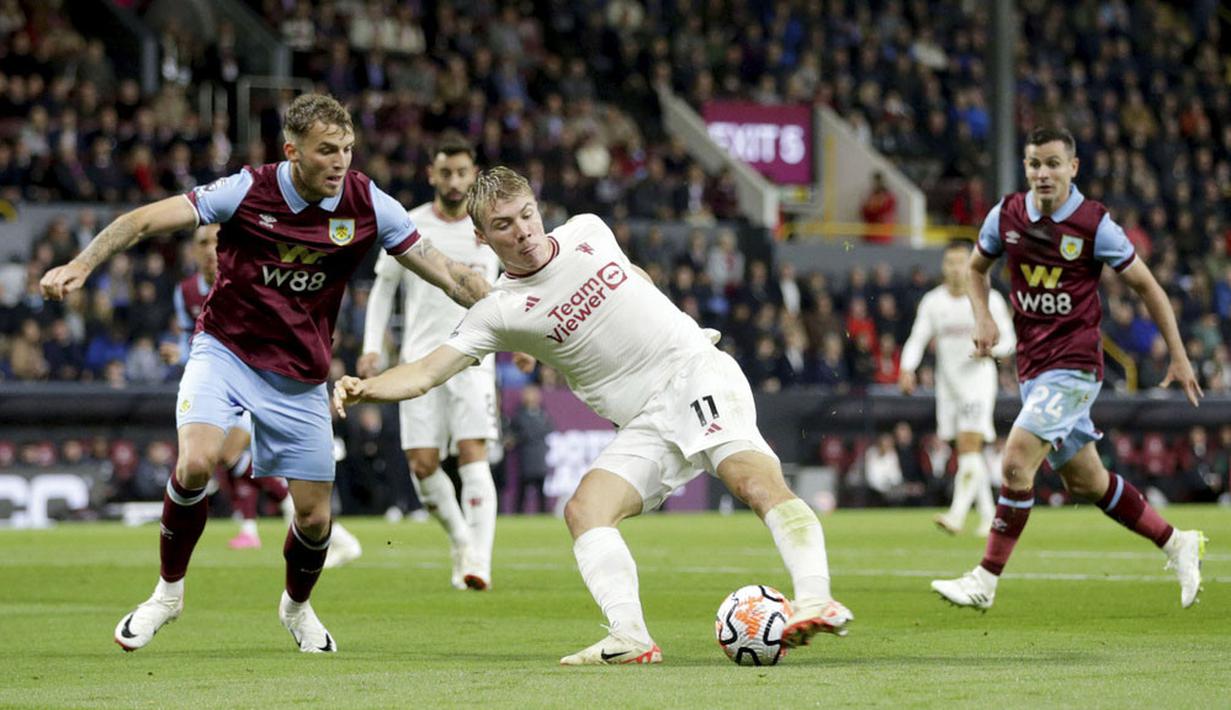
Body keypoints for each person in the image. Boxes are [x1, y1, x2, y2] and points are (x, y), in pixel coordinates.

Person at [334, 167, 852, 665]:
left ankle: (815, 599)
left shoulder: (588, 229)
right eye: (504, 225)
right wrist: (366, 389)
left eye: (527, 215)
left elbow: (636, 276)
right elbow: (425, 372)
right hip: (645, 420)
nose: (523, 232)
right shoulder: (501, 312)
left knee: (752, 482)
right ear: (482, 237)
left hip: (693, 372)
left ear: (539, 209)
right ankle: (630, 636)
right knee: (585, 511)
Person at [40, 93, 490, 653]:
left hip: (301, 373)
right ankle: (167, 594)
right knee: (197, 461)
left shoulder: (368, 202)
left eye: (348, 149)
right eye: (327, 151)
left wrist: (507, 307)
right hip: (226, 350)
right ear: (292, 151)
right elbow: (143, 221)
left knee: (316, 520)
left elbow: (448, 273)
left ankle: (296, 609)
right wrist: (82, 263)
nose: (341, 162)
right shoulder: (246, 189)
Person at [930, 127, 1206, 611]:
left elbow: (1149, 289)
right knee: (1087, 483)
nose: (1043, 173)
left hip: (1076, 367)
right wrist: (983, 315)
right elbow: (976, 268)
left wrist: (1179, 355)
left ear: (1073, 168)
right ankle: (1176, 542)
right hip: (1035, 369)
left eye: (1053, 163)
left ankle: (984, 580)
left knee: (1015, 461)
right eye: (1035, 163)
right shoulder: (1007, 215)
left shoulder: (1094, 225)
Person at [162, 224, 363, 562]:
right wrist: (179, 355)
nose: (211, 249)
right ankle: (272, 524)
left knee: (229, 456)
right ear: (193, 251)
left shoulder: (252, 275)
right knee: (223, 459)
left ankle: (293, 523)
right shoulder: (185, 293)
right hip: (218, 381)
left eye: (218, 240)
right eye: (202, 243)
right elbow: (192, 342)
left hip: (267, 379)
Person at [359, 132, 501, 590]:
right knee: (422, 465)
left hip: (475, 358)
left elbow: (511, 292)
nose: (455, 181)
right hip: (419, 361)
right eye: (446, 172)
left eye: (462, 172)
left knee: (472, 453)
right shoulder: (411, 226)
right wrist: (372, 347)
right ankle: (461, 540)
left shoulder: (491, 229)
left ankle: (479, 559)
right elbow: (383, 288)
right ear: (431, 174)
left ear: (473, 174)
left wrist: (523, 344)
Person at [900, 240, 1016, 536]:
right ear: (943, 266)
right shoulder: (933, 302)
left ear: (971, 264)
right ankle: (990, 513)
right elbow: (917, 338)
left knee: (968, 445)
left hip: (978, 380)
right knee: (967, 452)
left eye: (961, 262)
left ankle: (957, 514)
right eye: (950, 262)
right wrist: (907, 368)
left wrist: (992, 350)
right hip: (947, 386)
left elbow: (1010, 340)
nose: (955, 268)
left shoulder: (989, 299)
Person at [506, 383, 554, 514]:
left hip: (539, 457)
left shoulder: (543, 414)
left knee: (541, 489)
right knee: (523, 489)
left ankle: (544, 513)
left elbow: (549, 428)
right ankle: (518, 513)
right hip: (526, 458)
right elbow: (516, 433)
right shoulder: (519, 415)